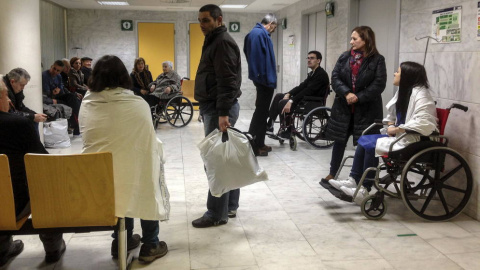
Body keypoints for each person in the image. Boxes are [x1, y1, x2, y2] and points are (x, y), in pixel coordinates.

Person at [79, 55, 169, 263]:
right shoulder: (137, 104)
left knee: (119, 175)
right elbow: (147, 143)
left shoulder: (87, 102)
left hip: (97, 175)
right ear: (123, 76)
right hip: (131, 172)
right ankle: (150, 244)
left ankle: (121, 240)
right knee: (144, 174)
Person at [329, 62, 437, 203]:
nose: (394, 74)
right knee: (364, 140)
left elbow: (425, 123)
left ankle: (365, 188)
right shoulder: (403, 91)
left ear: (407, 76)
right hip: (400, 136)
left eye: (398, 72)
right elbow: (392, 116)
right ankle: (354, 180)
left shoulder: (422, 95)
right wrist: (391, 124)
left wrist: (398, 129)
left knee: (372, 145)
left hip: (414, 141)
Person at [0, 78, 65, 267]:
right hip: (16, 202)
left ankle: (3, 249)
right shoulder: (18, 124)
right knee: (46, 188)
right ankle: (53, 248)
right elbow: (41, 160)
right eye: (6, 96)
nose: (10, 102)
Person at [192, 4, 242, 228]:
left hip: (219, 109)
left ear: (218, 19)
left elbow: (227, 81)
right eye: (200, 20)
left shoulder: (221, 42)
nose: (202, 25)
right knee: (224, 159)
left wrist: (222, 113)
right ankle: (229, 206)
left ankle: (216, 213)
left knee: (216, 163)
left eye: (206, 20)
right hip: (214, 107)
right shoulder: (214, 39)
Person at [322, 26, 387, 184]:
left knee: (366, 145)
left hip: (367, 110)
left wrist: (358, 97)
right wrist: (346, 93)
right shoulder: (344, 57)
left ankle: (364, 179)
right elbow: (335, 78)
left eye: (355, 38)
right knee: (339, 142)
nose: (351, 42)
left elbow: (379, 84)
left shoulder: (377, 60)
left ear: (366, 40)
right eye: (351, 38)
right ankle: (333, 172)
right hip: (344, 108)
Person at [266, 50, 330, 140]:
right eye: (308, 58)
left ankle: (288, 130)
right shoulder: (313, 73)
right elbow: (301, 86)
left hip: (313, 101)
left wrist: (292, 100)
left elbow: (308, 91)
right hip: (306, 99)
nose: (309, 60)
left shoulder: (321, 74)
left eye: (312, 58)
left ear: (318, 60)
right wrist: (289, 93)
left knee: (284, 102)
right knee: (279, 96)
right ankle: (270, 125)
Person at [244, 13, 278, 156]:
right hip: (264, 81)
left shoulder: (258, 34)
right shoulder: (258, 34)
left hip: (264, 80)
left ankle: (260, 143)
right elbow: (257, 59)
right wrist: (261, 78)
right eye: (274, 28)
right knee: (260, 113)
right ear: (270, 24)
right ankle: (253, 145)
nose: (273, 31)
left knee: (262, 112)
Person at [42, 60, 82, 135]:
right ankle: (77, 125)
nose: (55, 72)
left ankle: (79, 121)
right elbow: (46, 92)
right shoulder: (44, 75)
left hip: (58, 96)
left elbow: (61, 87)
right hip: (50, 97)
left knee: (73, 98)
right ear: (52, 66)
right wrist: (53, 94)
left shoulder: (59, 76)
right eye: (54, 69)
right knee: (71, 102)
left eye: (58, 71)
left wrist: (59, 89)